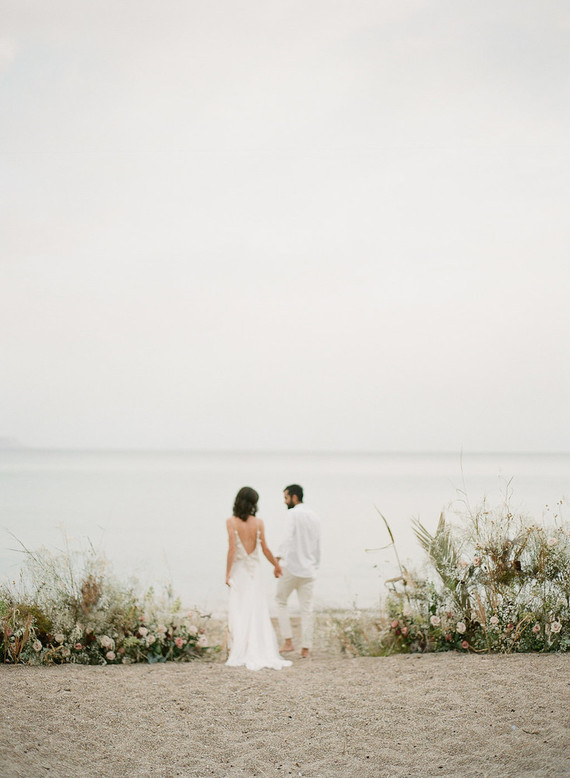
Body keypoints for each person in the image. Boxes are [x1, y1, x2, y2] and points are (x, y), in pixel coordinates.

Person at [225, 486, 292, 671]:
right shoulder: (259, 523)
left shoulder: (231, 522)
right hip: (254, 572)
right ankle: (257, 647)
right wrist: (276, 565)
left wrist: (227, 573)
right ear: (254, 503)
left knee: (239, 608)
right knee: (256, 609)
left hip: (239, 570)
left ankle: (240, 647)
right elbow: (265, 549)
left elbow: (232, 549)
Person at [275, 484, 321, 658]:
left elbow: (286, 537)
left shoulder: (292, 514)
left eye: (286, 498)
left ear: (295, 497)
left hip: (292, 567)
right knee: (307, 610)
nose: (285, 501)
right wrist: (315, 565)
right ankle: (306, 649)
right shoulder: (315, 517)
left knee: (280, 601)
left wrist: (277, 559)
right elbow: (317, 545)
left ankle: (288, 642)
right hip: (309, 570)